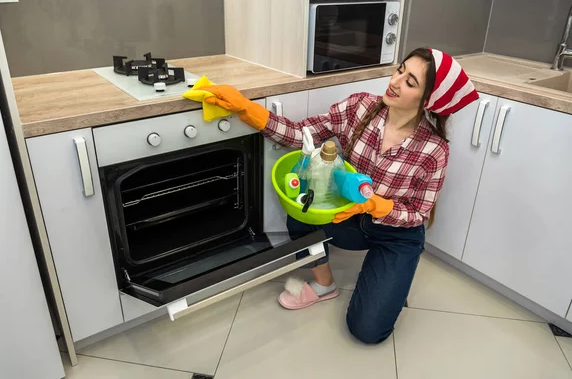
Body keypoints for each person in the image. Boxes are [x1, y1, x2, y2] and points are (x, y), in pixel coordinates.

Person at [200, 48, 478, 344]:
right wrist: (248, 110)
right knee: (299, 208)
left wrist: (378, 206)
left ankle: (385, 276)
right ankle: (324, 285)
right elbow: (301, 134)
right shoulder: (360, 108)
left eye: (410, 82)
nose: (395, 81)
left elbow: (419, 214)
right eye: (400, 70)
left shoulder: (434, 150)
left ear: (428, 101)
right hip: (347, 215)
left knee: (368, 332)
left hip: (396, 234)